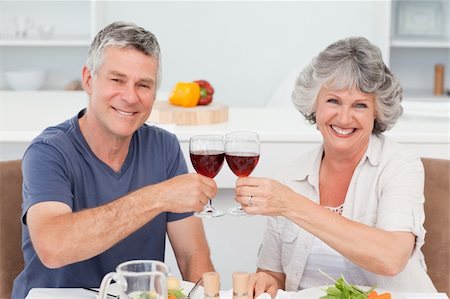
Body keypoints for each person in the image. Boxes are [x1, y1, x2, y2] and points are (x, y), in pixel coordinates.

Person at [12, 21, 216, 298]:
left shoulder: (164, 147)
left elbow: (193, 258)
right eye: (117, 80)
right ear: (88, 80)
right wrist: (158, 197)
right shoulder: (48, 151)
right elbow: (54, 247)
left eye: (143, 84)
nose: (130, 97)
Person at [234, 37, 437, 297]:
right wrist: (266, 282)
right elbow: (273, 274)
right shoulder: (290, 175)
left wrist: (291, 204)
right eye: (333, 101)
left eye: (360, 105)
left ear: (377, 112)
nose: (343, 117)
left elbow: (392, 258)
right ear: (314, 105)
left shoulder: (400, 164)